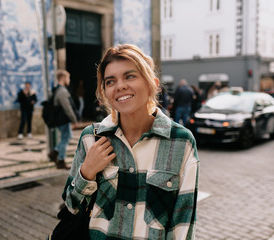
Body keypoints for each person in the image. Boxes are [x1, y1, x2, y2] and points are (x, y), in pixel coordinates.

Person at [60, 44, 199, 239]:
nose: (120, 86)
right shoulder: (91, 138)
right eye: (110, 81)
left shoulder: (181, 142)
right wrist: (87, 173)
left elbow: (182, 227)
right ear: (105, 92)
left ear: (153, 83)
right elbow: (71, 207)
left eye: (130, 76)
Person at [49, 69, 78, 169]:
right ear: (63, 78)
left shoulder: (59, 90)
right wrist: (74, 119)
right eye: (68, 78)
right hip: (63, 120)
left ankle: (55, 152)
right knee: (65, 138)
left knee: (67, 136)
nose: (69, 80)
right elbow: (67, 107)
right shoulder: (62, 91)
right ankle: (60, 160)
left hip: (62, 120)